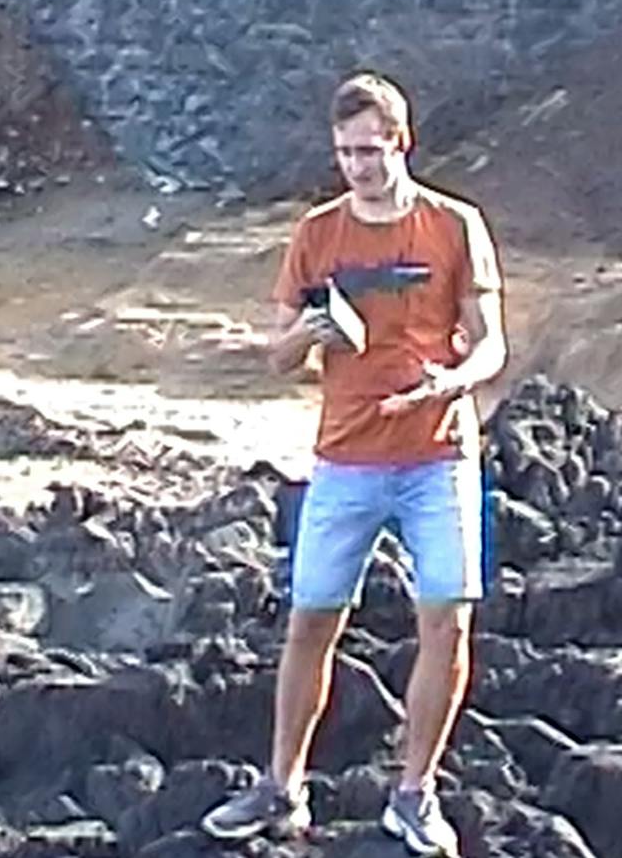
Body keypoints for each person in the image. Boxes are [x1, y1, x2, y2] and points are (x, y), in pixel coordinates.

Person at [199, 72, 507, 855]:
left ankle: (413, 794)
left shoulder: (453, 225)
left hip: (439, 451)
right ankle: (282, 786)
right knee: (311, 620)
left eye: (370, 150)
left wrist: (455, 380)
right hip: (345, 457)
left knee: (449, 616)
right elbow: (276, 356)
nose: (357, 167)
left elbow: (494, 341)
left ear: (402, 142)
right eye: (343, 152)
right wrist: (311, 335)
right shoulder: (317, 235)